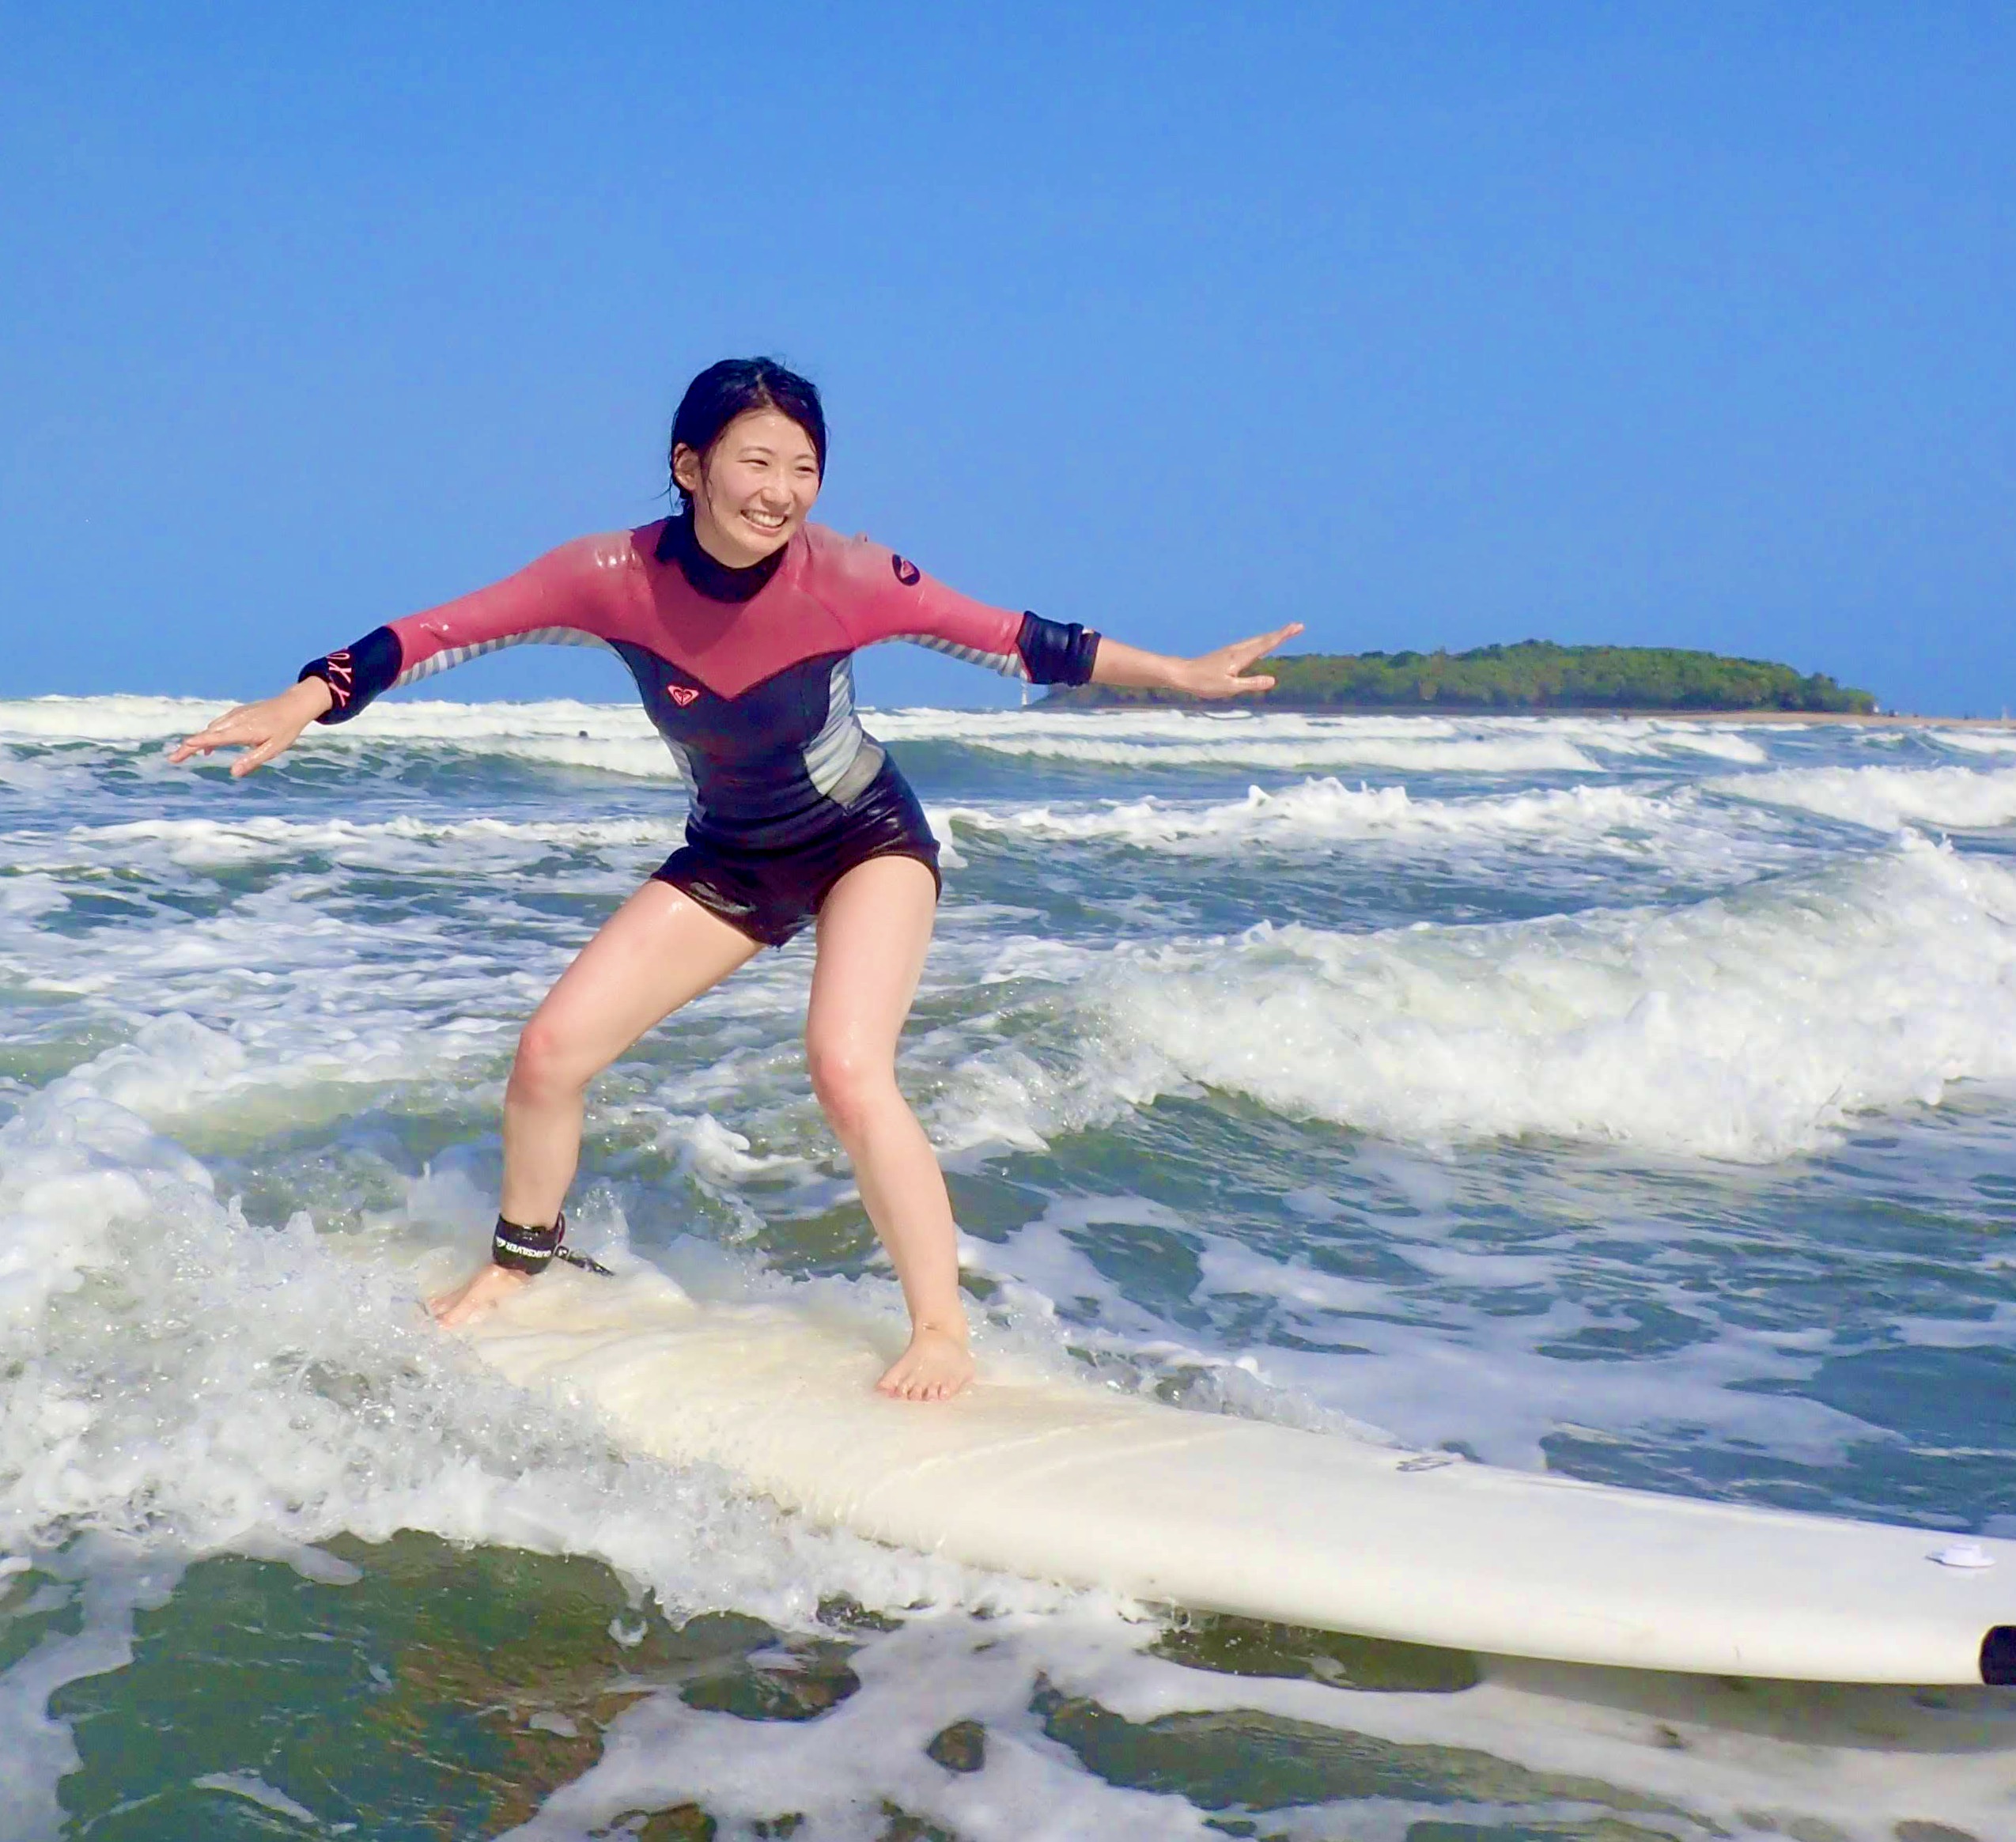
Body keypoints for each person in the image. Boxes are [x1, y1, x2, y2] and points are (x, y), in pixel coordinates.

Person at [172, 357, 1297, 1401]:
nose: (782, 490)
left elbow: (1020, 639)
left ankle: (941, 1328)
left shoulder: (852, 577)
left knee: (847, 1066)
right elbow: (430, 636)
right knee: (550, 1053)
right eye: (757, 460)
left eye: (803, 467)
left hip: (866, 840)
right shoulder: (609, 577)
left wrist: (1176, 674)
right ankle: (525, 1262)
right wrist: (302, 698)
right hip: (731, 854)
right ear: (689, 465)